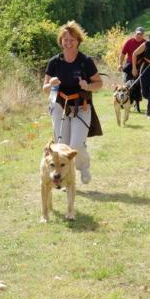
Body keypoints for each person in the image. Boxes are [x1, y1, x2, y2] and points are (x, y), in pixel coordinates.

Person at [43, 21, 103, 184]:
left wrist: (87, 85)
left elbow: (99, 83)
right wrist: (52, 83)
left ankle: (83, 168)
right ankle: (63, 178)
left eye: (72, 40)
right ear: (61, 41)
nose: (68, 43)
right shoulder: (54, 62)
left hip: (81, 106)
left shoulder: (85, 61)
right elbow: (45, 88)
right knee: (61, 146)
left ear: (78, 41)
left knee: (76, 145)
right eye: (65, 39)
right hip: (59, 106)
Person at [118, 26, 145, 112]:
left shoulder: (145, 43)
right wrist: (120, 64)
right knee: (127, 86)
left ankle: (136, 105)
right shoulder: (129, 42)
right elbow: (122, 54)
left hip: (140, 67)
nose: (139, 35)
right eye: (138, 34)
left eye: (141, 34)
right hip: (129, 66)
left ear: (143, 35)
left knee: (137, 86)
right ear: (135, 33)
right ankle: (124, 103)